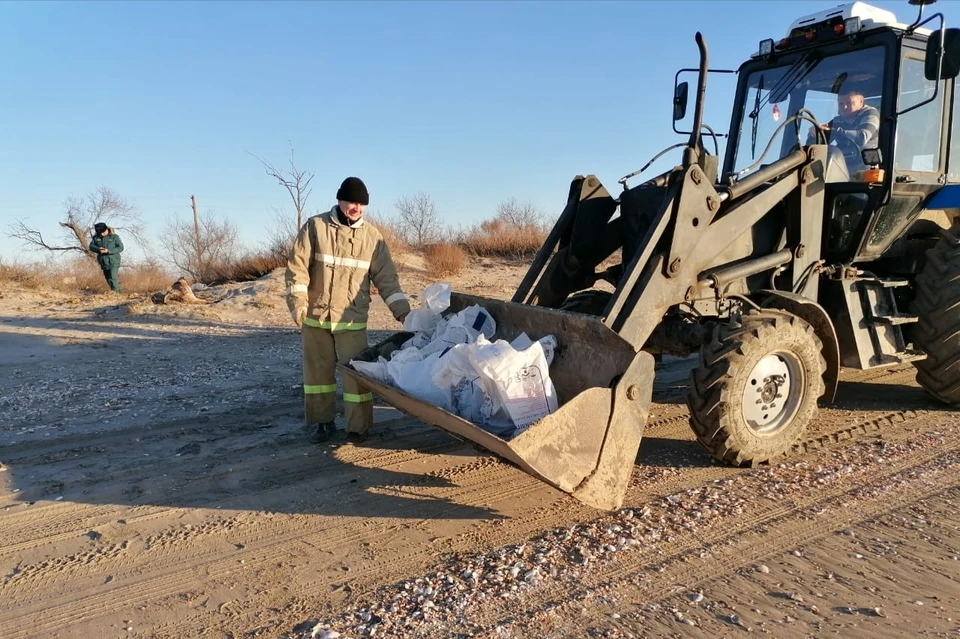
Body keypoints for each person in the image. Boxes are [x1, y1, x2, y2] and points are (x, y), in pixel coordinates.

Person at [285, 176, 411, 444]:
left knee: (357, 375)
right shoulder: (315, 227)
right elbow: (297, 269)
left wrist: (402, 311)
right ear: (340, 200)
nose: (357, 208)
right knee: (317, 374)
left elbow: (387, 279)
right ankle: (322, 423)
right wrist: (298, 303)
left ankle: (359, 426)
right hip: (315, 317)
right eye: (352, 202)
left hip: (351, 319)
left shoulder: (372, 238)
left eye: (362, 204)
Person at [807, 85, 880, 174]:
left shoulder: (870, 113)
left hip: (868, 172)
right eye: (841, 104)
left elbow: (862, 137)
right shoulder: (838, 121)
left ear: (861, 101)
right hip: (844, 170)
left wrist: (834, 130)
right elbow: (820, 143)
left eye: (849, 103)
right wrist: (815, 133)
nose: (844, 107)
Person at [88, 222, 124, 293]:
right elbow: (91, 246)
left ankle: (117, 293)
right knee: (108, 278)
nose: (102, 234)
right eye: (100, 233)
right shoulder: (96, 238)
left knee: (113, 276)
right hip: (103, 262)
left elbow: (121, 248)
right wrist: (98, 249)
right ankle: (116, 291)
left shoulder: (114, 237)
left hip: (114, 260)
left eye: (103, 232)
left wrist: (108, 251)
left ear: (106, 229)